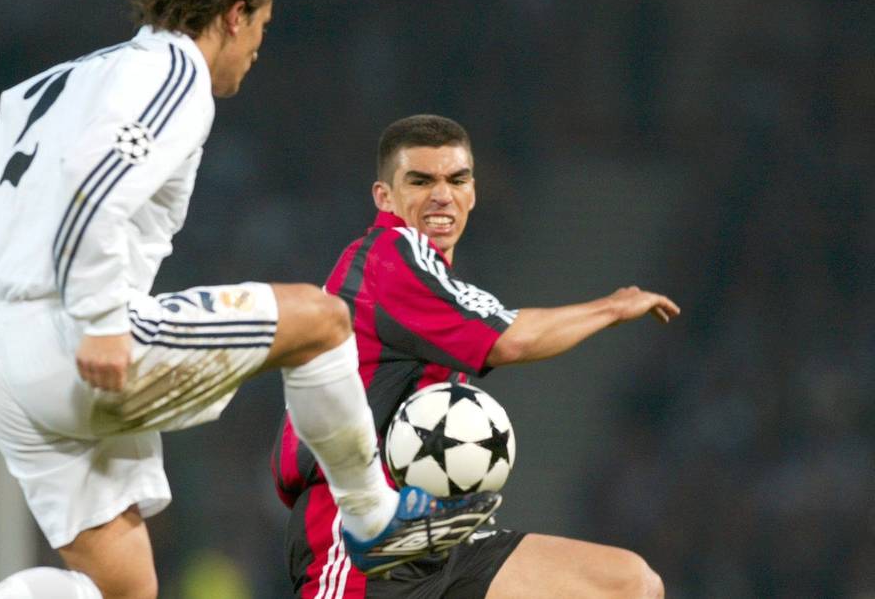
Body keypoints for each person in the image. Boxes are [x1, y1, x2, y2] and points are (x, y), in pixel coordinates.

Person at [0, 0, 498, 598]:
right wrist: (98, 319)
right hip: (72, 335)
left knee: (122, 589)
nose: (258, 48)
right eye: (261, 26)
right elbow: (90, 185)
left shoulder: (67, 78)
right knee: (323, 320)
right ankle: (373, 516)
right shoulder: (173, 74)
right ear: (234, 14)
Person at [272, 114, 678, 598]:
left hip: (440, 535)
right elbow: (511, 340)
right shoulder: (388, 256)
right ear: (384, 197)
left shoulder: (424, 277)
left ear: (473, 193)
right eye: (420, 181)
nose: (442, 195)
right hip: (363, 538)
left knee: (629, 585)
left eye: (456, 180)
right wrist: (611, 308)